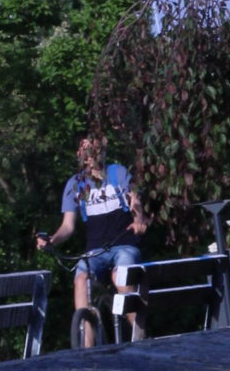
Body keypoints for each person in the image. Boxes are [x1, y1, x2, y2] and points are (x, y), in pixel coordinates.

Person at [37, 133, 148, 332]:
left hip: (124, 244)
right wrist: (52, 240)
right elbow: (68, 226)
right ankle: (85, 345)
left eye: (94, 150)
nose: (90, 156)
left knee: (121, 277)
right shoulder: (76, 184)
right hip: (95, 250)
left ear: (102, 152)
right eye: (85, 151)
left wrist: (138, 218)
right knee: (81, 279)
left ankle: (139, 335)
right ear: (79, 154)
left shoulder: (117, 173)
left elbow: (134, 201)